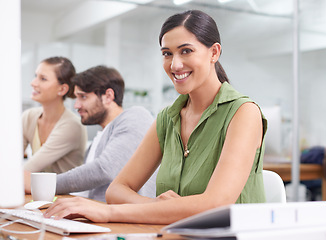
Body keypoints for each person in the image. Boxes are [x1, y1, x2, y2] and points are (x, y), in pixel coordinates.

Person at [45, 10, 267, 224]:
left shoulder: (243, 112)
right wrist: (160, 207)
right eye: (167, 53)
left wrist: (109, 212)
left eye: (186, 51)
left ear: (214, 52)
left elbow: (215, 204)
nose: (175, 64)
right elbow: (117, 190)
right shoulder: (167, 119)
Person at [50, 65, 155, 202]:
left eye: (83, 97)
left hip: (127, 219)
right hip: (98, 217)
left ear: (108, 96)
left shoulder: (136, 116)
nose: (76, 105)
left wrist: (46, 184)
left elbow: (104, 170)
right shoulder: (98, 140)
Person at [23, 57, 87, 191]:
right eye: (36, 76)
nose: (33, 83)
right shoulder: (29, 117)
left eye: (43, 79)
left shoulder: (71, 126)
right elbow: (8, 160)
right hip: (38, 195)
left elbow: (28, 170)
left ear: (62, 89)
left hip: (66, 199)